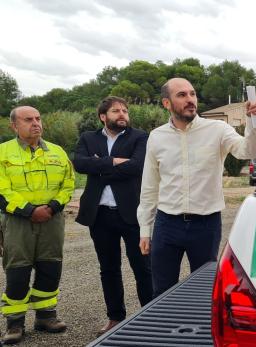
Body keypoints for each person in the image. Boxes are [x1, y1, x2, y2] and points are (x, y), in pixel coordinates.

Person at [137, 78, 256, 297]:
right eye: (182, 95)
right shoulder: (157, 137)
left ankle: (204, 332)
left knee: (205, 291)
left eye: (192, 94)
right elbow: (149, 186)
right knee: (162, 290)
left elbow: (248, 151)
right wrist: (145, 230)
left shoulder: (218, 129)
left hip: (206, 225)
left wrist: (253, 121)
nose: (190, 100)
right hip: (167, 224)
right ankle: (166, 331)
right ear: (166, 103)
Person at [73, 96, 152, 335]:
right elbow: (79, 164)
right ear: (103, 116)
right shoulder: (88, 138)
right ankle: (115, 318)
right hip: (100, 215)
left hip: (132, 214)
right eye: (116, 111)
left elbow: (138, 167)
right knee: (108, 268)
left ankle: (149, 316)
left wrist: (101, 166)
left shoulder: (140, 137)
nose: (122, 114)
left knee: (143, 268)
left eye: (125, 111)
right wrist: (116, 162)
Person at [0, 106, 75, 344]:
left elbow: (68, 183)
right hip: (17, 221)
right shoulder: (3, 153)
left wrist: (52, 207)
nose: (36, 123)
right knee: (18, 271)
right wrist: (29, 211)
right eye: (28, 119)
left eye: (38, 118)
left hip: (51, 219)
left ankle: (46, 316)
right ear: (14, 126)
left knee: (50, 268)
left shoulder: (57, 152)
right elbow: (2, 191)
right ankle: (14, 323)